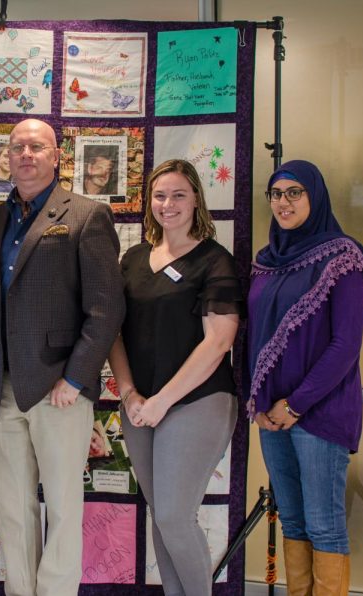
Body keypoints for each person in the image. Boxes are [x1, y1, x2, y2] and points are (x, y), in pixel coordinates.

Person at [0, 118, 124, 596]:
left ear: (56, 155)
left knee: (62, 509)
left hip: (60, 389)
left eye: (36, 146)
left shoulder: (86, 214)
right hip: (2, 388)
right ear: (6, 158)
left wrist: (76, 379)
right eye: (17, 147)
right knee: (12, 509)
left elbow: (105, 308)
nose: (25, 155)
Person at [107, 158, 243, 595]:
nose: (168, 204)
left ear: (197, 199)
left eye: (179, 194)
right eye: (160, 195)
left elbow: (218, 341)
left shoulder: (215, 261)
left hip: (196, 402)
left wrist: (162, 400)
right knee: (159, 513)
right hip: (140, 405)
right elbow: (114, 333)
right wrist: (128, 393)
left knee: (173, 515)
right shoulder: (132, 259)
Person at [248, 160, 363, 595]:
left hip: (319, 413)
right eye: (276, 194)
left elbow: (346, 345)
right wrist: (262, 405)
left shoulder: (344, 257)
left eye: (294, 193)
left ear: (315, 196)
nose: (283, 202)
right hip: (272, 416)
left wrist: (296, 404)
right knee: (294, 521)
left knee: (325, 527)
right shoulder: (267, 262)